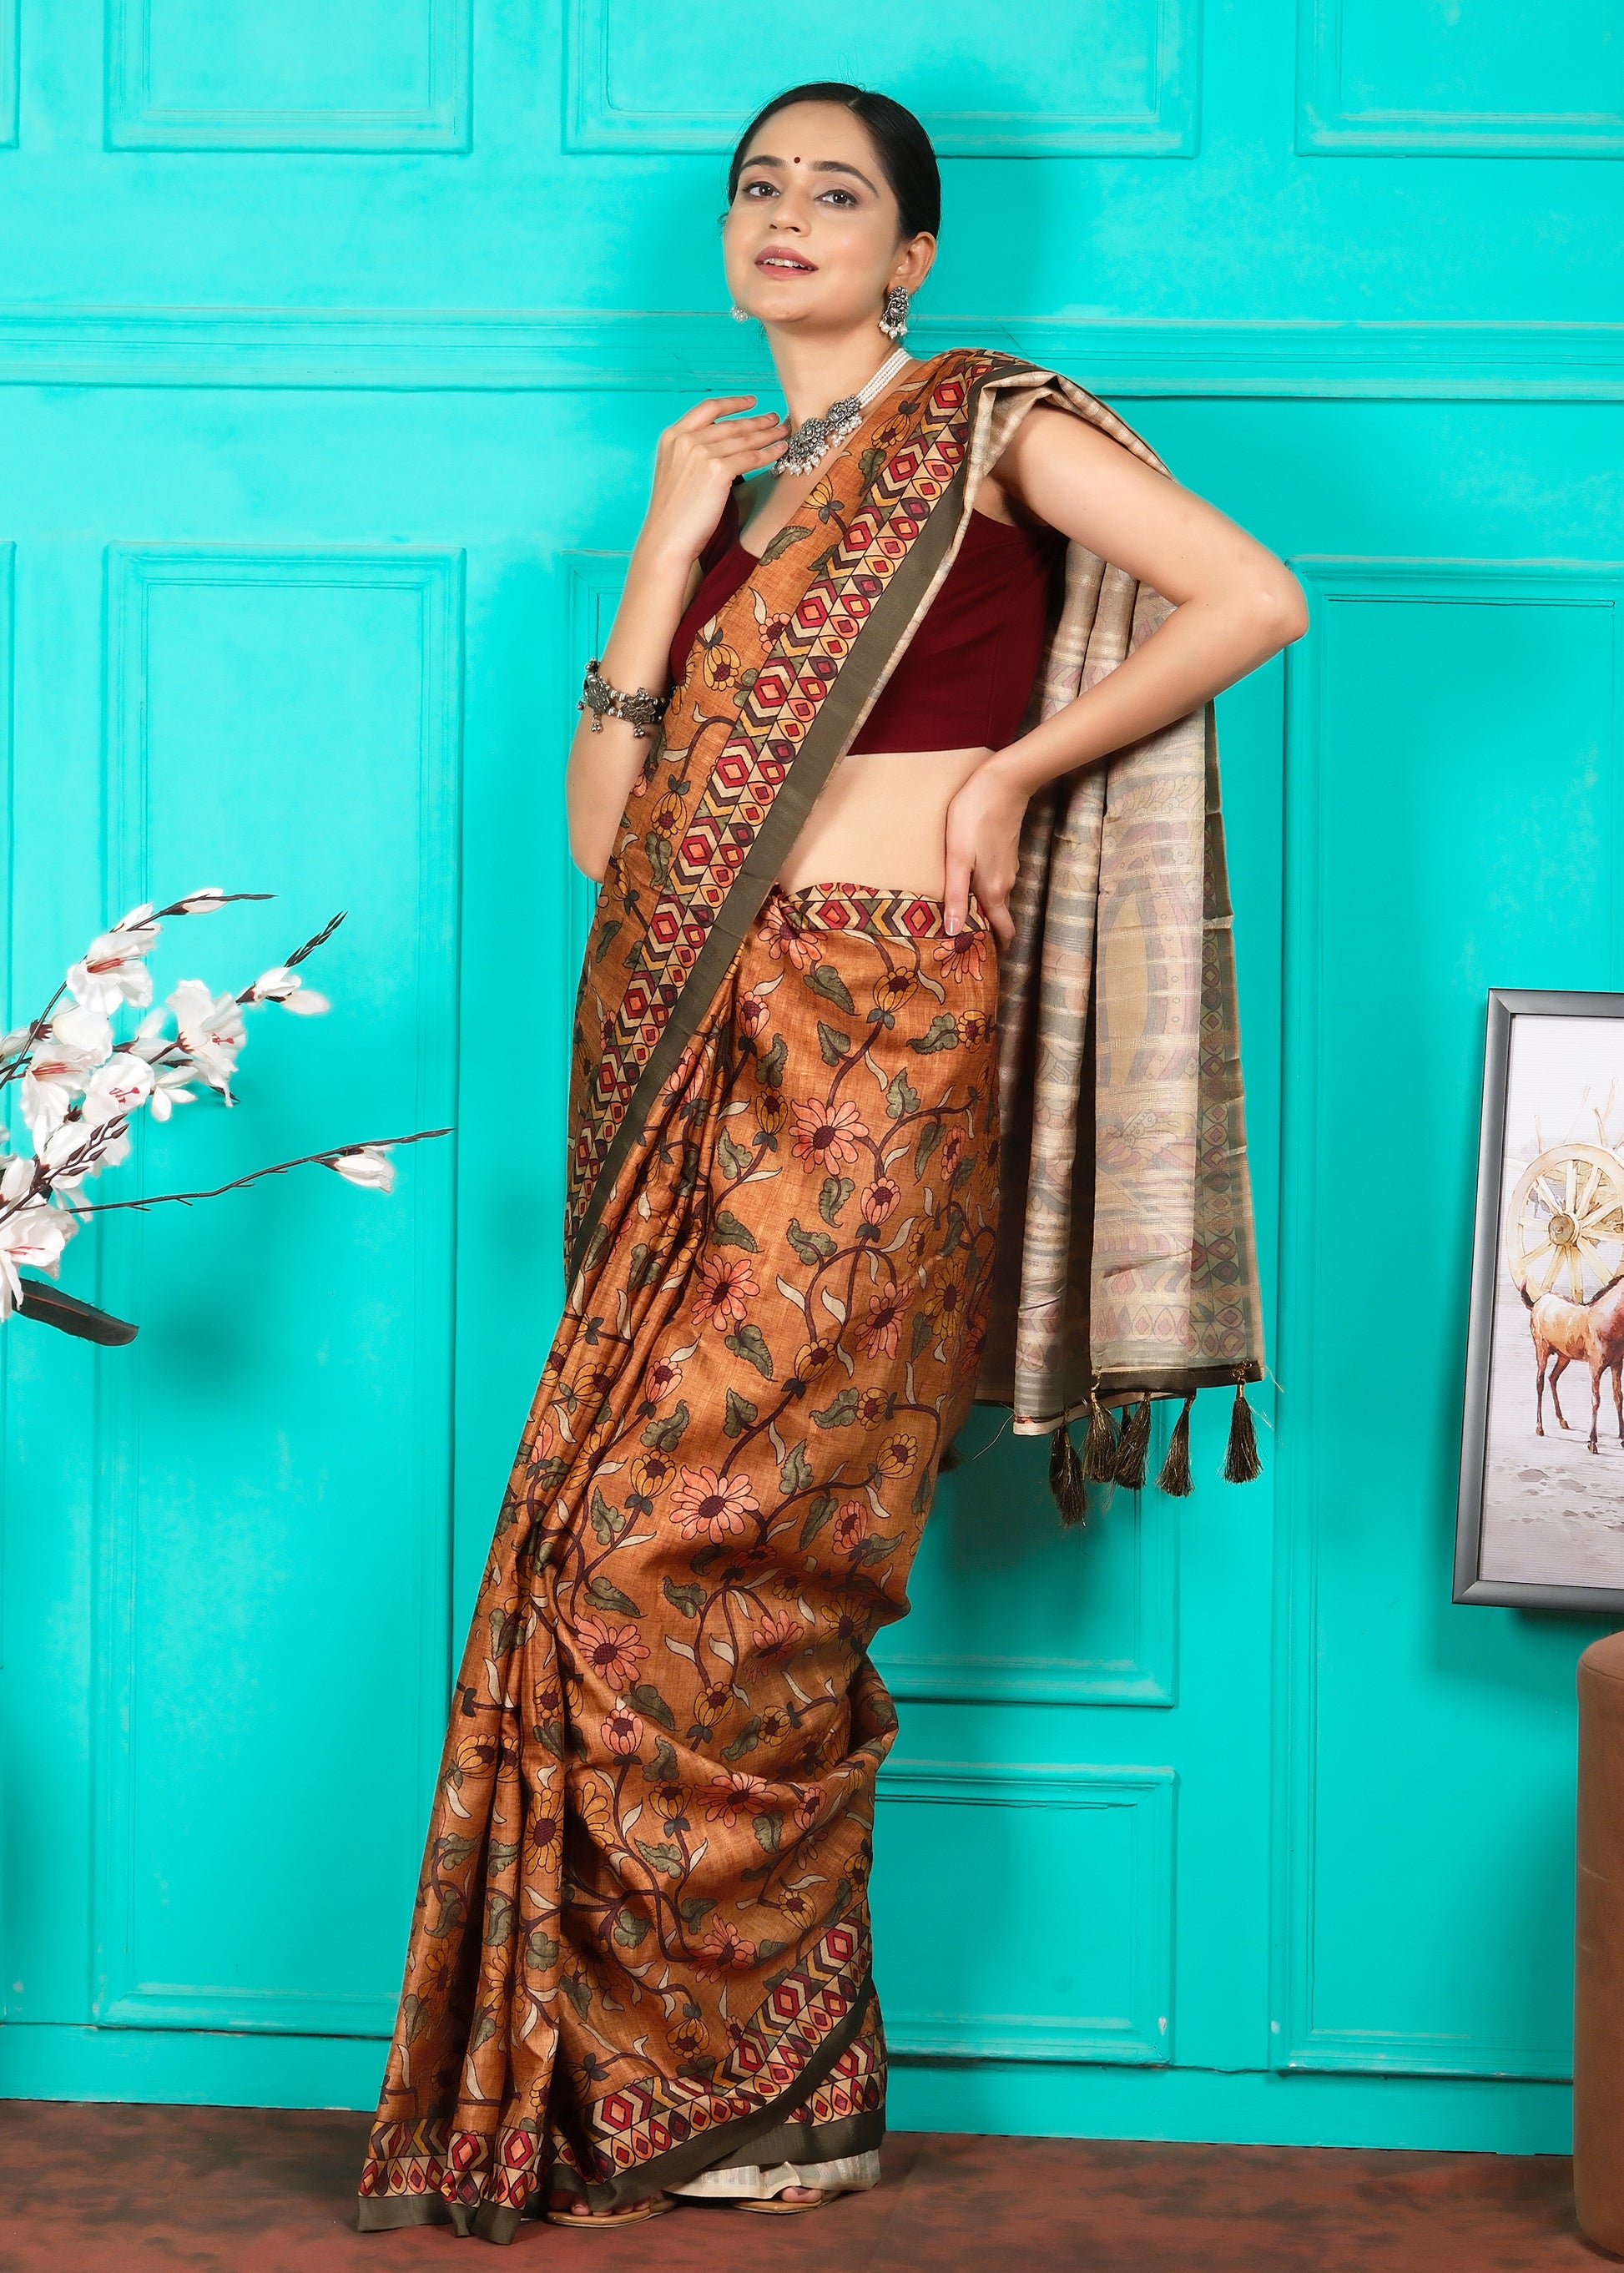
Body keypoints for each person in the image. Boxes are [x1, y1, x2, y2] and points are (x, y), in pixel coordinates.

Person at [356, 81, 1304, 2244]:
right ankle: (740, 2074)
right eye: (758, 188)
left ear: (912, 258)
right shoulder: (734, 486)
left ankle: (777, 2075)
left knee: (733, 1540)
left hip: (891, 1033)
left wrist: (1013, 785)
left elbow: (1250, 594)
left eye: (837, 193)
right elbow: (614, 844)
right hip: (715, 1043)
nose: (787, 217)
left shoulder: (980, 428)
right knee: (613, 1548)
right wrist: (666, 542)